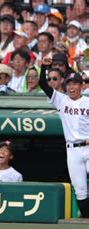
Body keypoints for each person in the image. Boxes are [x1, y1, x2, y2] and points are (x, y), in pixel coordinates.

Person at [39, 57, 89, 218]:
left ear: (82, 86)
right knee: (80, 189)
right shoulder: (61, 100)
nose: (72, 87)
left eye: (75, 83)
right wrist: (44, 68)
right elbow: (44, 85)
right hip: (72, 150)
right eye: (69, 84)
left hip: (88, 146)